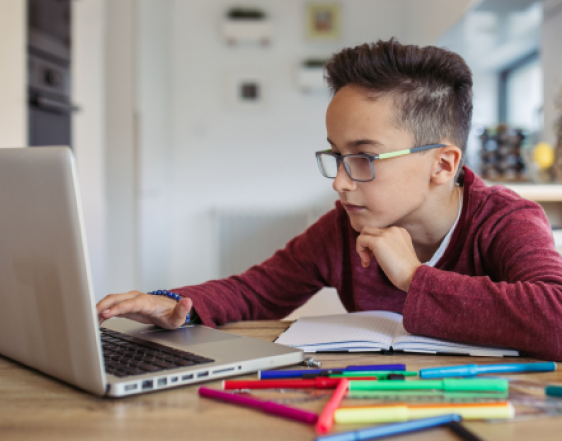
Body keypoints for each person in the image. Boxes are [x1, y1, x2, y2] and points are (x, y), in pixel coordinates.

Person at [97, 39, 562, 361]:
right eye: (336, 155)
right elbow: (256, 290)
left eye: (362, 157)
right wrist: (176, 303)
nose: (339, 182)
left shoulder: (505, 220)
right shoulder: (345, 227)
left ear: (442, 165)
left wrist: (415, 278)